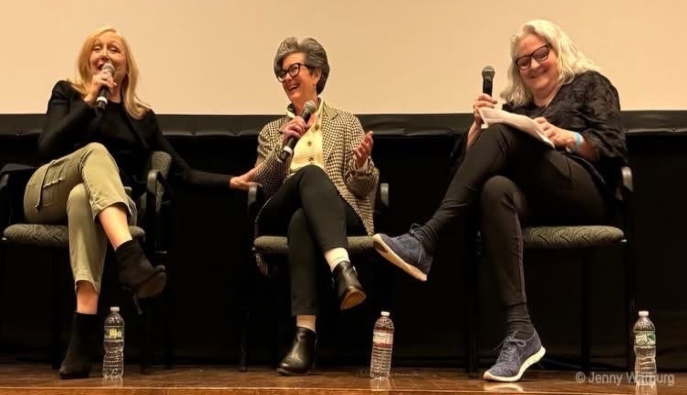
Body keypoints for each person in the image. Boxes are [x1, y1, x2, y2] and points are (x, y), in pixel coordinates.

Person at [373, 19, 628, 382]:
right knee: (493, 189)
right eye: (524, 61)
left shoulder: (590, 85)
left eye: (541, 54)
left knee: (506, 132)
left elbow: (614, 146)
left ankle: (428, 239)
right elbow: (466, 176)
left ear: (559, 52)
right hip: (535, 201)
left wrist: (566, 137)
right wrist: (478, 130)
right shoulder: (519, 107)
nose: (533, 65)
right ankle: (520, 329)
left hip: (585, 192)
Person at [24, 26, 253, 379]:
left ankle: (82, 332)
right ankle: (130, 257)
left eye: (114, 49)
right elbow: (46, 147)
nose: (104, 54)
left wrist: (231, 181)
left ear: (126, 66)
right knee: (92, 159)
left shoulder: (141, 118)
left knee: (84, 197)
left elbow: (183, 173)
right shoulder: (68, 93)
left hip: (101, 204)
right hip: (47, 190)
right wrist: (89, 103)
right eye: (96, 49)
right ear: (88, 61)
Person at [249, 36, 378, 375]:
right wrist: (282, 146)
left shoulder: (346, 122)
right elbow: (266, 184)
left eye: (295, 69)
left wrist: (363, 166)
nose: (288, 77)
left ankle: (305, 336)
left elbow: (362, 188)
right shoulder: (271, 131)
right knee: (308, 174)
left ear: (317, 74)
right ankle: (342, 269)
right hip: (280, 207)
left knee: (303, 221)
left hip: (336, 213)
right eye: (282, 73)